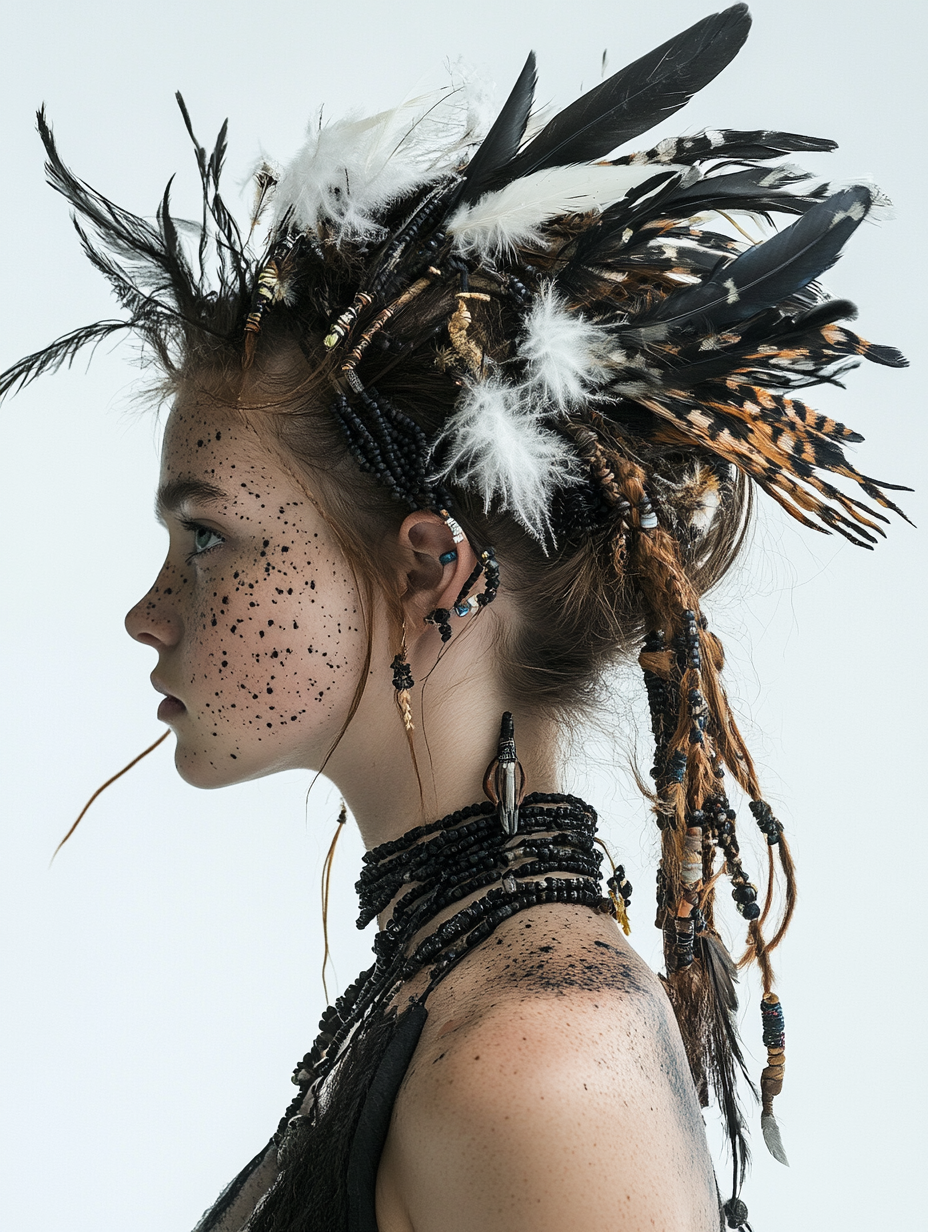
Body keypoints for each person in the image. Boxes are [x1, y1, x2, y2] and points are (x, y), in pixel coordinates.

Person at [1, 5, 908, 1229]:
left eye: (204, 536)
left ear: (429, 567)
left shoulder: (541, 1053)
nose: (147, 613)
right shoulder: (445, 993)